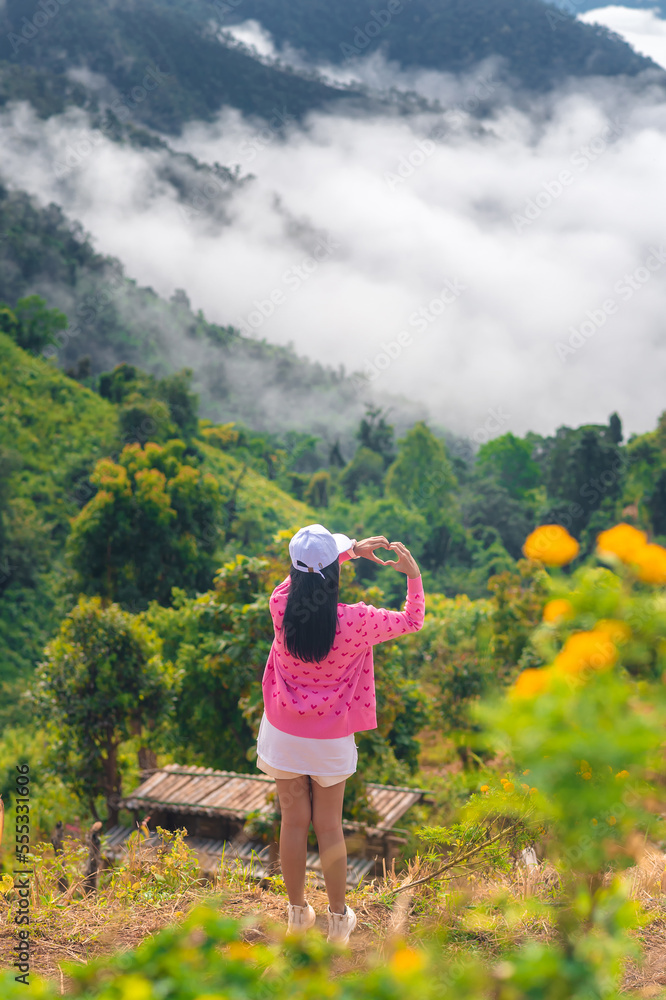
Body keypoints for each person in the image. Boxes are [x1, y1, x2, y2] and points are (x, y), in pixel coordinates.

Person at [257, 523, 424, 944]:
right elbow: (412, 620)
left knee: (293, 822)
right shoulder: (357, 621)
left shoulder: (279, 606)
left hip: (284, 735)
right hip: (330, 743)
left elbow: (299, 579)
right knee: (329, 826)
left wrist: (345, 550)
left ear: (294, 573)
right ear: (334, 573)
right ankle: (336, 922)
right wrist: (412, 575)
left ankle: (297, 914)